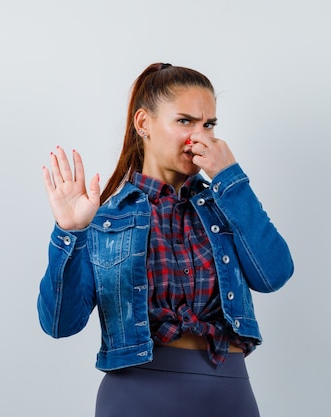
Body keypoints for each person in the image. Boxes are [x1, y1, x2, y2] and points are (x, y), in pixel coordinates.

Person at [38, 63, 294, 417]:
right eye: (185, 121)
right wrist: (70, 233)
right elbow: (59, 324)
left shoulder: (227, 205)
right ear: (143, 124)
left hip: (230, 396)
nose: (199, 137)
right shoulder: (104, 219)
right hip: (138, 399)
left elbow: (274, 275)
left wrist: (230, 179)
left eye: (209, 125)